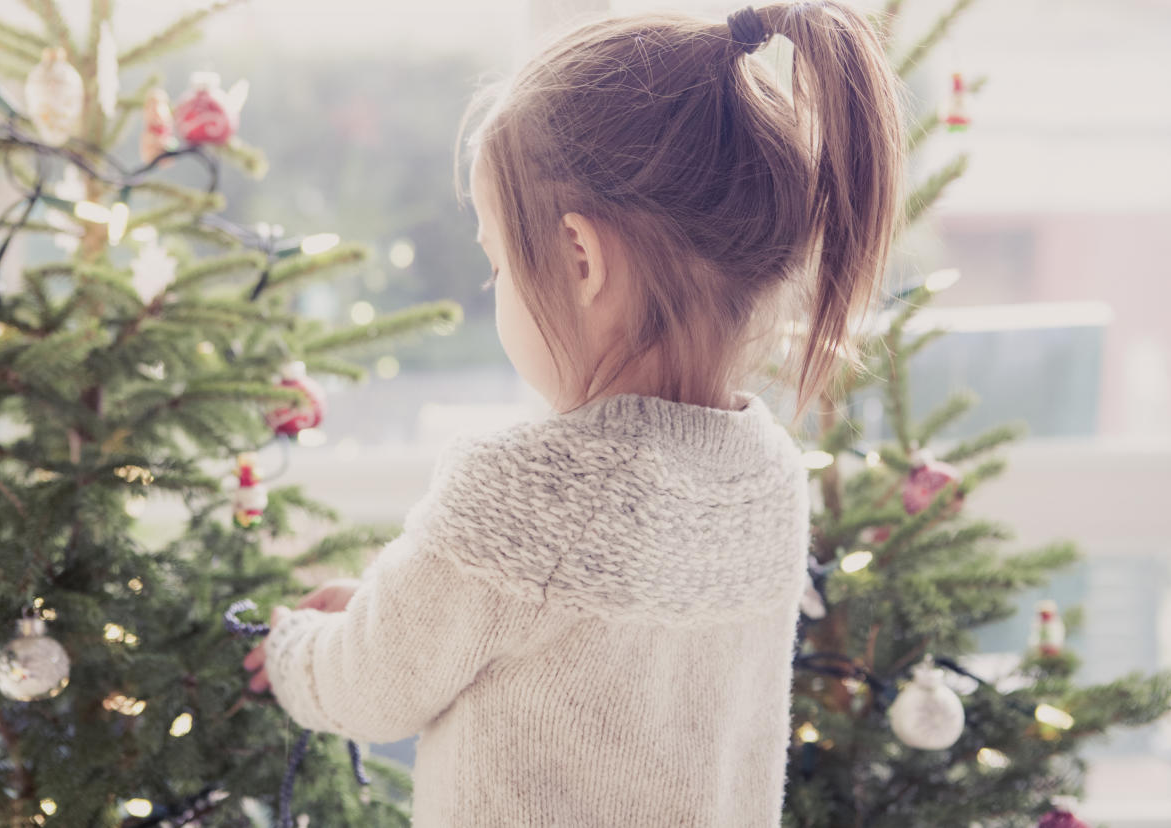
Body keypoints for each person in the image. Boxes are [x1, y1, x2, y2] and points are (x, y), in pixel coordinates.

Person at [243, 2, 907, 824]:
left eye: (497, 265)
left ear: (579, 258)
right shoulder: (766, 475)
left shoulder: (529, 487)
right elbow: (553, 633)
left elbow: (371, 688)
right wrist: (380, 606)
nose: (498, 293)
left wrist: (289, 648)